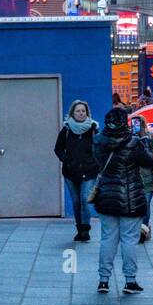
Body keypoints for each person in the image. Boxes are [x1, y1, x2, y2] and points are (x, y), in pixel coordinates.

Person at [93, 107, 153, 294]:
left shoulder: (98, 142)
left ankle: (103, 280)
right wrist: (144, 141)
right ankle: (130, 280)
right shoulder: (134, 143)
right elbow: (150, 161)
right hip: (131, 198)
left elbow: (96, 164)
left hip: (107, 197)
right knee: (129, 240)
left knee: (108, 239)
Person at [54, 99, 99, 242]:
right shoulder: (66, 129)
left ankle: (86, 230)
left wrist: (95, 162)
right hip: (70, 172)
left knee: (85, 200)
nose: (80, 113)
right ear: (72, 113)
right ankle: (79, 228)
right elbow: (58, 149)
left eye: (83, 111)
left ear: (87, 113)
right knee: (76, 201)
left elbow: (99, 148)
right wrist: (67, 160)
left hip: (89, 171)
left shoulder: (93, 129)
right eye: (78, 111)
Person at [130, 113, 153, 241]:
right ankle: (138, 229)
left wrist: (148, 147)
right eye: (135, 125)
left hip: (148, 180)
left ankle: (143, 231)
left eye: (140, 125)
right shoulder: (128, 140)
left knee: (145, 205)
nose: (137, 128)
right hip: (133, 181)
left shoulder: (150, 140)